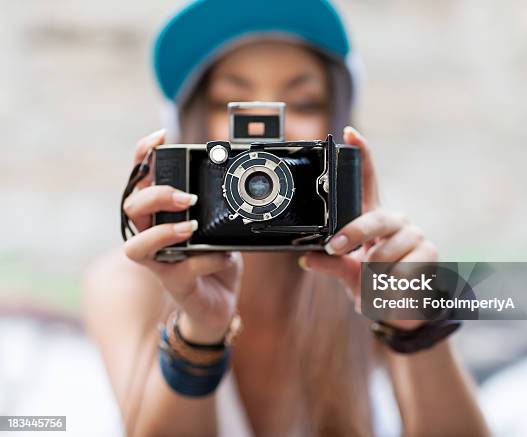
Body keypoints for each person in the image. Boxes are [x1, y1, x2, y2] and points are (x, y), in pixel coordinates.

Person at [83, 1, 489, 436]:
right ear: (190, 140)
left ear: (337, 135)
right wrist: (198, 331)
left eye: (302, 101)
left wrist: (412, 326)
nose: (270, 134)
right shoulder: (128, 284)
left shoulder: (377, 265)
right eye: (230, 102)